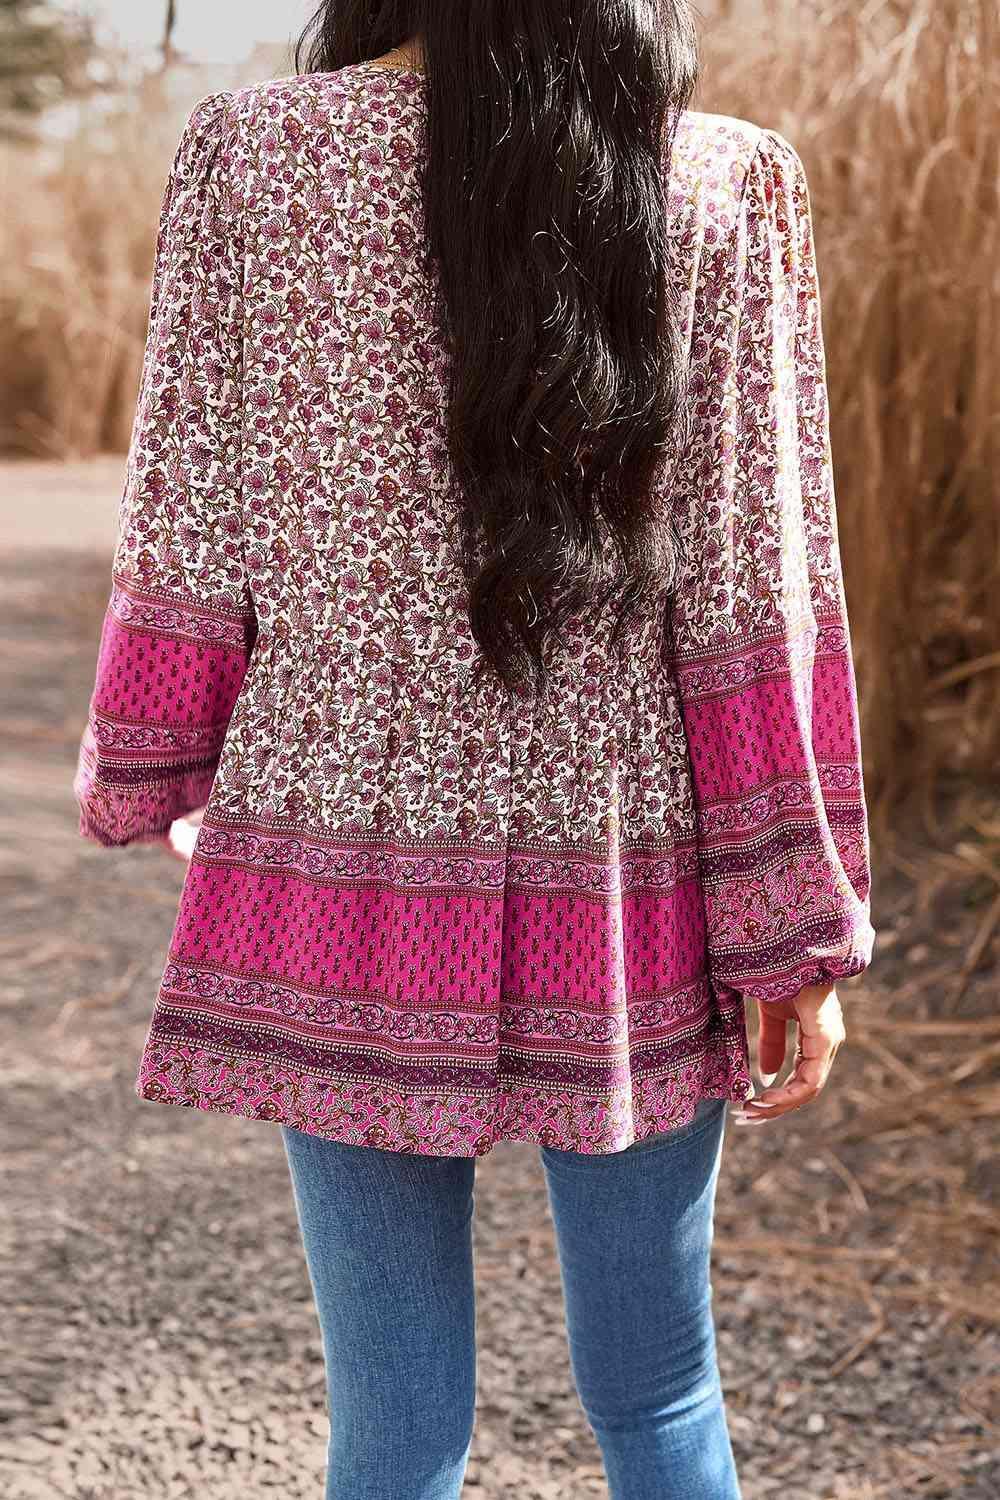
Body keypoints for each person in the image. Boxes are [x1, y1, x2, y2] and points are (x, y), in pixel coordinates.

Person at [73, 5, 876, 1496]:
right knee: (660, 1396)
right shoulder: (725, 178)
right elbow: (761, 587)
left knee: (393, 1420)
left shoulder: (253, 155)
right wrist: (797, 931)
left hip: (341, 839)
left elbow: (188, 498)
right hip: (630, 869)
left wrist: (166, 760)